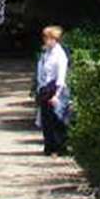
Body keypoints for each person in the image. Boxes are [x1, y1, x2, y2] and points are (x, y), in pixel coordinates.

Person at [33, 25, 71, 156]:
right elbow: (41, 73)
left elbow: (61, 76)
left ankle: (60, 148)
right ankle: (49, 146)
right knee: (46, 120)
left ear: (55, 39)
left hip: (55, 89)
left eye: (48, 38)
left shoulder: (60, 55)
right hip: (45, 88)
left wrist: (57, 95)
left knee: (57, 119)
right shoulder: (46, 53)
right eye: (45, 37)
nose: (45, 40)